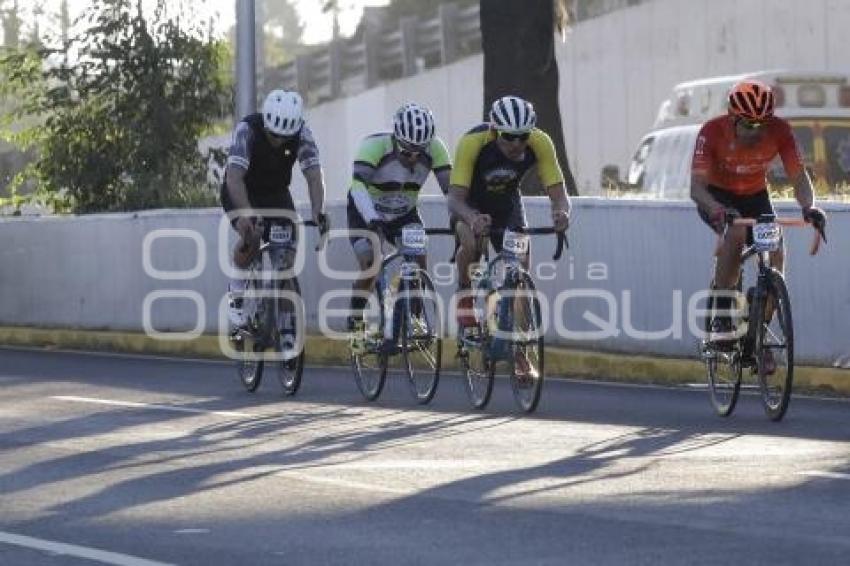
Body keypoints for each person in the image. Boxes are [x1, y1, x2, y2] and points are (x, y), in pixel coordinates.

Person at [690, 79, 827, 365]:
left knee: (776, 248)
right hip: (716, 196)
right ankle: (724, 317)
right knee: (736, 233)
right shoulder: (711, 132)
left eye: (763, 124)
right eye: (749, 126)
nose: (757, 131)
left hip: (754, 194)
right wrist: (717, 211)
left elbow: (799, 178)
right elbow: (696, 189)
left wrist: (810, 207)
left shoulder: (780, 131)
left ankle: (758, 328)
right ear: (733, 117)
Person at [448, 95, 571, 325]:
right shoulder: (473, 141)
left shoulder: (541, 142)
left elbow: (559, 195)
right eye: (509, 137)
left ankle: (521, 346)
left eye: (523, 136)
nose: (516, 144)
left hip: (506, 203)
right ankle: (465, 292)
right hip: (470, 204)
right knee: (472, 243)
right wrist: (472, 217)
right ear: (495, 131)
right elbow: (455, 199)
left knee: (520, 268)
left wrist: (561, 213)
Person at [222, 89, 328, 328]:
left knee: (286, 264)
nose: (278, 141)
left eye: (284, 137)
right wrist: (247, 214)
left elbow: (314, 176)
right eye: (273, 135)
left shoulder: (302, 133)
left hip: (276, 193)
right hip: (242, 188)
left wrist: (319, 211)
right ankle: (237, 293)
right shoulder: (247, 130)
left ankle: (287, 327)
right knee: (252, 232)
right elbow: (234, 178)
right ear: (266, 123)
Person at [346, 102, 452, 336]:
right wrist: (372, 220)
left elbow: (452, 192)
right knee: (371, 266)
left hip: (404, 212)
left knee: (419, 260)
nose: (413, 158)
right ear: (395, 139)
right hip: (366, 210)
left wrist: (459, 219)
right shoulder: (373, 145)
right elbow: (357, 188)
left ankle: (413, 317)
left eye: (419, 152)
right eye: (406, 152)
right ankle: (356, 318)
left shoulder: (436, 148)